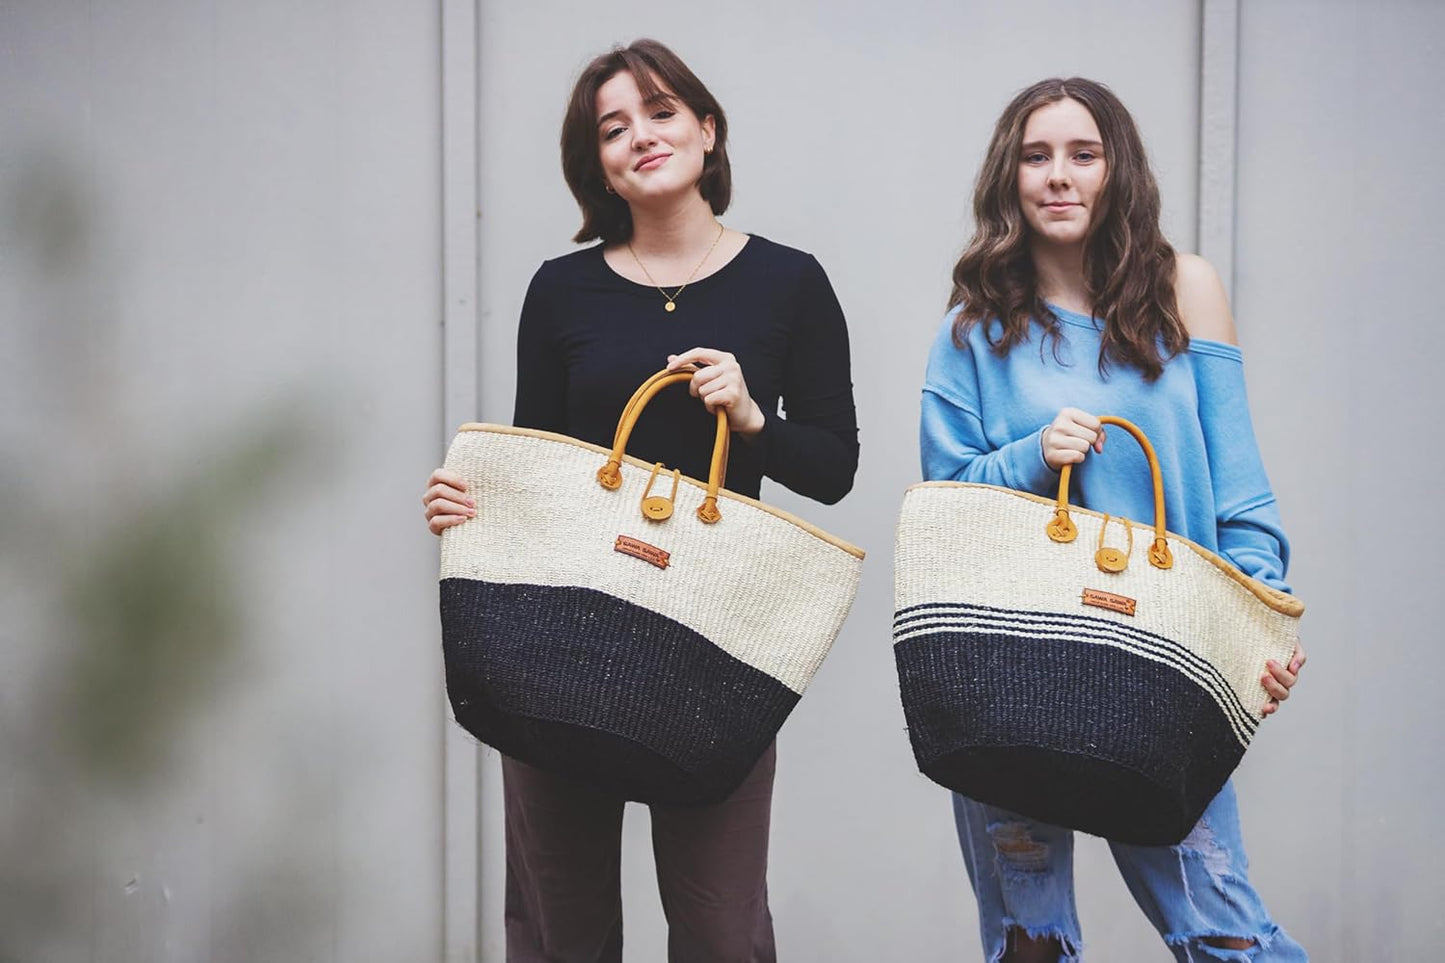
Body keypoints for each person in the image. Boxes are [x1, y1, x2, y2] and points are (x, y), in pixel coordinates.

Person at [423, 39, 858, 963]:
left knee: (719, 923)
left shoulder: (790, 282)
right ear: (599, 168)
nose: (640, 137)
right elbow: (534, 454)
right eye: (612, 129)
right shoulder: (561, 288)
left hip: (713, 643)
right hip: (562, 631)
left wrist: (749, 417)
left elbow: (832, 467)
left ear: (707, 129)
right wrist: (471, 503)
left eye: (660, 112)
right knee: (559, 924)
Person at [919, 78, 1307, 962]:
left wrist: (1262, 624)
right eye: (1036, 155)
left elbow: (1240, 499)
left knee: (1225, 937)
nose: (1059, 176)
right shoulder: (971, 331)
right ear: (1008, 177)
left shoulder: (1185, 291)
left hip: (1159, 661)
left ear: (1115, 169)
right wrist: (1030, 455)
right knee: (1031, 946)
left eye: (1082, 154)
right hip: (1010, 663)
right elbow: (944, 504)